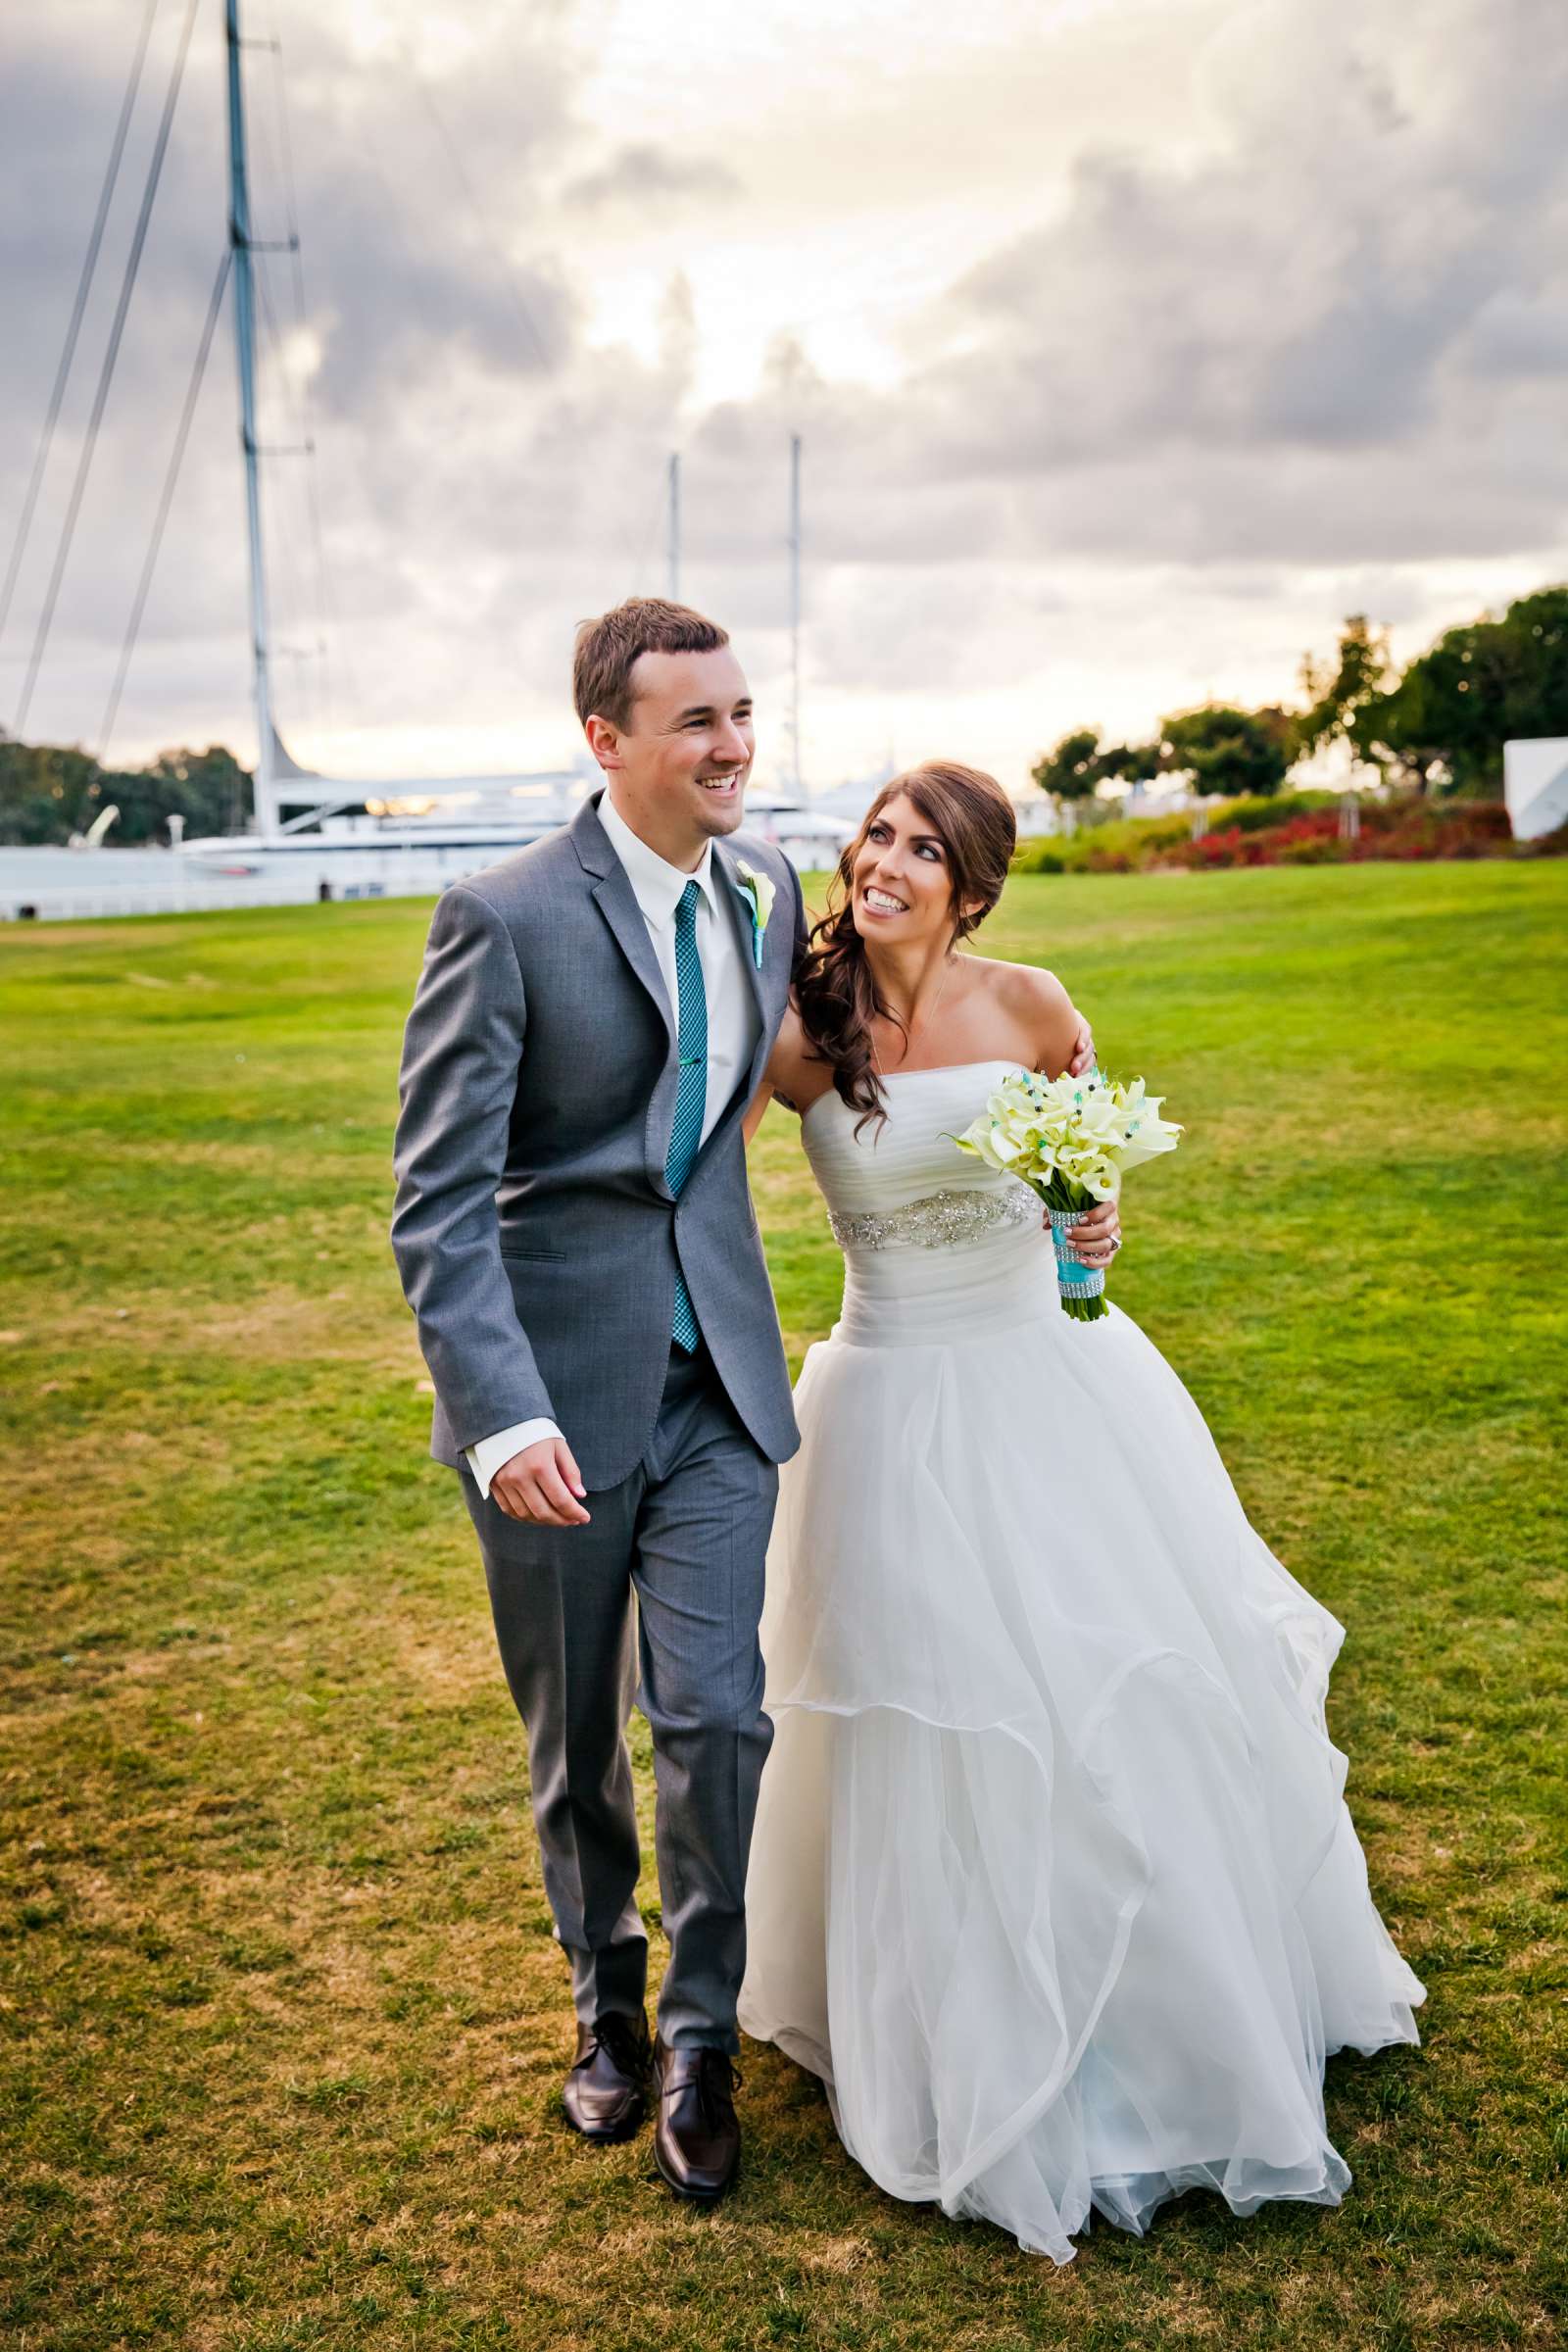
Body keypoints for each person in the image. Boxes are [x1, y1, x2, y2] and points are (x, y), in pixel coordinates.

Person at [390, 604, 1113, 2205]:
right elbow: (436, 1204)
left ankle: (704, 2041)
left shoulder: (768, 890)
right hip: (555, 1409)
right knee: (576, 1737)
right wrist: (501, 1417)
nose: (732, 747)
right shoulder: (499, 917)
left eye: (741, 714)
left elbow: (893, 1054)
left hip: (725, 1379)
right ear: (608, 740)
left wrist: (1059, 1199)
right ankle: (608, 2010)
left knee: (719, 1714)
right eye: (696, 722)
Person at [736, 760, 1424, 2264]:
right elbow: (701, 1176)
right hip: (882, 1394)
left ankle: (1160, 2020)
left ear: (972, 885)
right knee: (923, 1708)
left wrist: (1097, 1220)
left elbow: (1085, 1191)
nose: (887, 864)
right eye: (876, 839)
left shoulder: (1037, 1005)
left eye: (922, 849)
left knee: (1102, 1687)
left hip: (1052, 1387)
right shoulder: (805, 1028)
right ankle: (943, 2022)